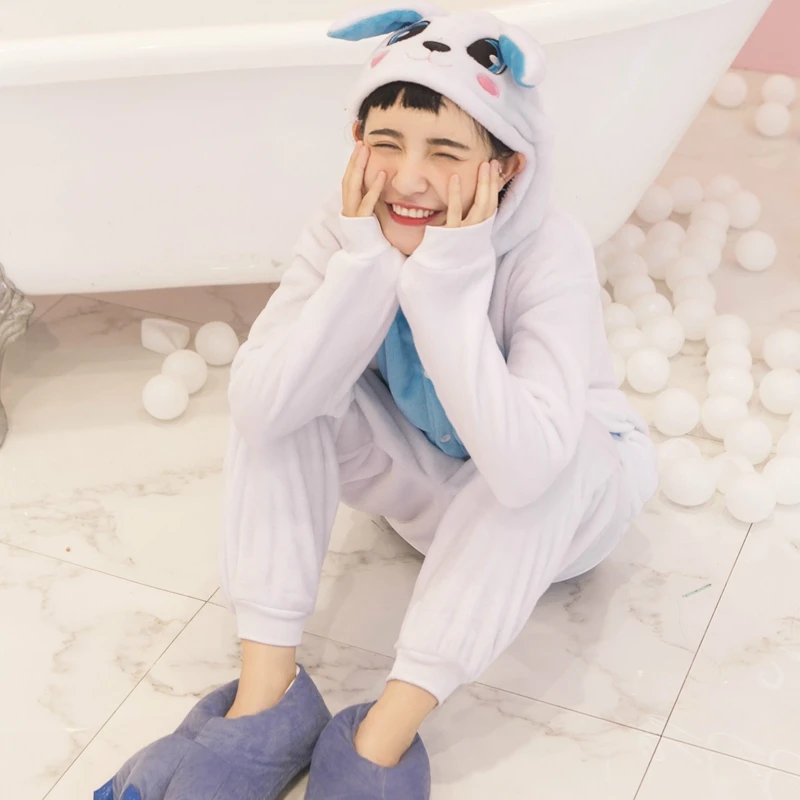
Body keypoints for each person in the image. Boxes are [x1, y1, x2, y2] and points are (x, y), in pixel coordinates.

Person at [96, 5, 658, 800]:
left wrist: (448, 280)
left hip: (561, 518)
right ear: (358, 142)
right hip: (424, 489)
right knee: (282, 390)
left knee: (559, 460)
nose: (410, 178)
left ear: (506, 167)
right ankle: (266, 703)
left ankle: (381, 740)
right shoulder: (345, 228)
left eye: (446, 152)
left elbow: (526, 471)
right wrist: (362, 267)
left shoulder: (549, 248)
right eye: (386, 143)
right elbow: (261, 411)